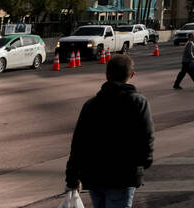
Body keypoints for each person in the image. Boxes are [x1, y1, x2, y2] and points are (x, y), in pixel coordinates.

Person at [65, 53, 154, 208]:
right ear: (131, 75)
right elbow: (147, 138)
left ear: (107, 75)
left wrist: (72, 178)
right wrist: (141, 165)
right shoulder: (138, 102)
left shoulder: (91, 105)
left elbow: (78, 143)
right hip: (124, 176)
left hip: (94, 176)